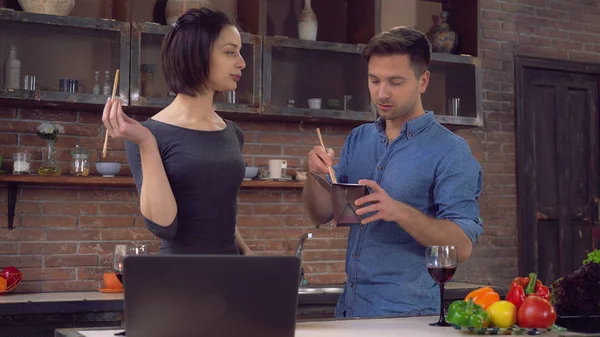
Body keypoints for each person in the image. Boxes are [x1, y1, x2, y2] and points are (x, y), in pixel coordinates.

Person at [302, 26, 483, 318]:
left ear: (423, 81)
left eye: (395, 82)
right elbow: (321, 214)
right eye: (375, 80)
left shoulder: (451, 151)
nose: (382, 93)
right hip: (349, 311)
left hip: (407, 317)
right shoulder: (359, 139)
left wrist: (399, 212)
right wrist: (314, 174)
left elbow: (461, 246)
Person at [101, 8, 252, 256]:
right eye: (230, 52)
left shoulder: (232, 132)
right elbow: (164, 226)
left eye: (240, 52)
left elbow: (218, 211)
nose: (242, 62)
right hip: (180, 281)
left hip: (231, 276)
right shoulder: (149, 135)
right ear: (197, 55)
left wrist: (247, 254)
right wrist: (146, 143)